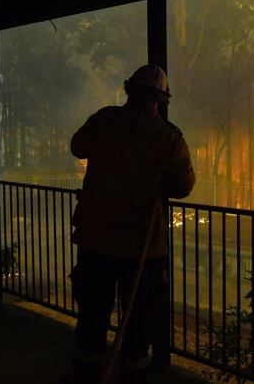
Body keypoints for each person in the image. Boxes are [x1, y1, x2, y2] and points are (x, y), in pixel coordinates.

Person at [65, 64, 195, 384]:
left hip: (96, 240)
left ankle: (87, 375)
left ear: (128, 90)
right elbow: (183, 187)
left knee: (93, 315)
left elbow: (77, 146)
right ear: (161, 100)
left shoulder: (104, 121)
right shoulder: (169, 139)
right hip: (142, 248)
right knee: (138, 320)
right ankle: (133, 375)